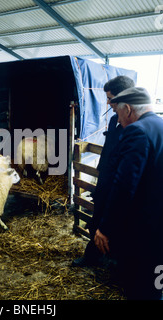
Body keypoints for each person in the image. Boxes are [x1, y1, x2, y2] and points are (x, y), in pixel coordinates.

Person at [94, 87, 163, 300]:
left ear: (129, 109)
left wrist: (105, 228)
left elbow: (124, 185)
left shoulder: (137, 131)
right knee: (156, 281)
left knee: (140, 284)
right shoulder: (160, 125)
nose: (119, 120)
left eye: (118, 113)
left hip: (144, 226)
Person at [72, 75, 135, 267]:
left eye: (110, 98)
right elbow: (108, 148)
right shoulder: (115, 118)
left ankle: (117, 262)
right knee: (97, 218)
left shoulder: (135, 127)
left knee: (121, 223)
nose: (108, 102)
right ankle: (93, 256)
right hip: (105, 180)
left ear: (123, 98)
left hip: (121, 184)